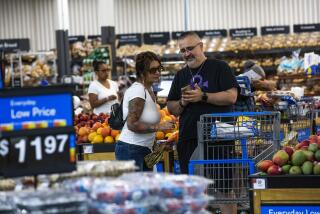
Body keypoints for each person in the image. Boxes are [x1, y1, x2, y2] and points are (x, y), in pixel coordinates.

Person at [166, 32, 238, 214]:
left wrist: (203, 96)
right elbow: (171, 107)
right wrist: (183, 101)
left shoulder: (219, 67)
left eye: (190, 48)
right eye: (182, 50)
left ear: (201, 47)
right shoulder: (180, 75)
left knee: (224, 188)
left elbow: (232, 96)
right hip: (189, 136)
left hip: (219, 136)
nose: (187, 53)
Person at [115, 51, 174, 171]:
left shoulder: (149, 89)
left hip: (142, 149)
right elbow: (132, 124)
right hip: (131, 150)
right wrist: (158, 127)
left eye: (159, 68)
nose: (158, 72)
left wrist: (157, 144)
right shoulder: (138, 91)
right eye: (153, 70)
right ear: (142, 72)